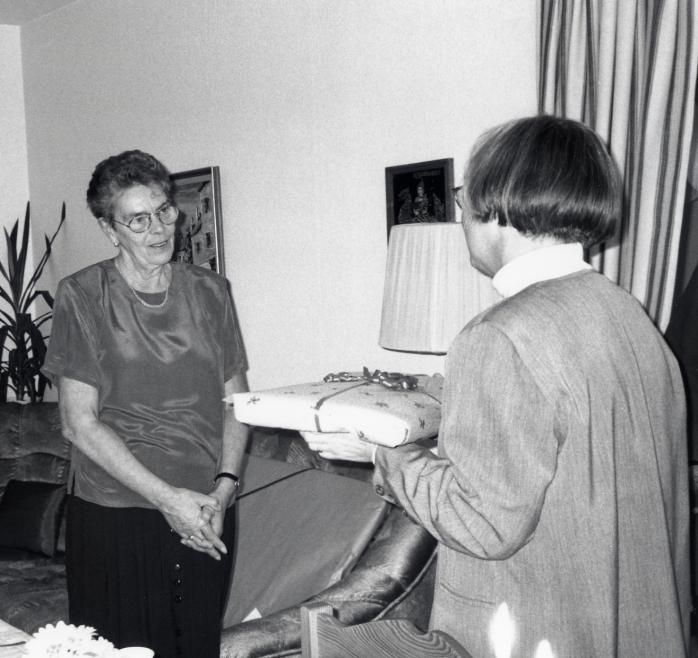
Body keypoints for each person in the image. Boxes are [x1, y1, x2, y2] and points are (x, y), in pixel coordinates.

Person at [304, 116, 690, 658]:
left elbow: (481, 523)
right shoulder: (629, 316)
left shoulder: (499, 337)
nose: (461, 212)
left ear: (498, 206)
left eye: (464, 197)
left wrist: (381, 452)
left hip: (537, 632)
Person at [42, 150, 248, 657]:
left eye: (164, 211)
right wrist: (166, 499)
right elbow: (79, 424)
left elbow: (237, 402)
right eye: (138, 219)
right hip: (116, 514)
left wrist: (222, 492)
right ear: (110, 229)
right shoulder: (83, 295)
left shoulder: (211, 291)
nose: (158, 228)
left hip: (205, 512)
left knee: (196, 648)